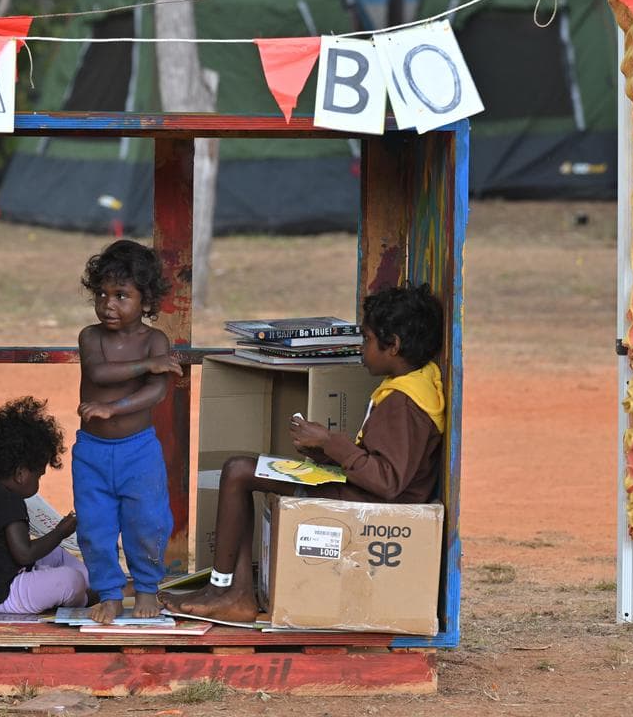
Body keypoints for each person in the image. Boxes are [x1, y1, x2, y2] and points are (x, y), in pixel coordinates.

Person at [162, 282, 446, 623]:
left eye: (367, 340)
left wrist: (329, 442)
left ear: (394, 346)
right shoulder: (415, 383)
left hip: (376, 504)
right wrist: (324, 453)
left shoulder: (404, 403)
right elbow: (380, 460)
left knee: (239, 471)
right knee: (241, 471)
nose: (362, 348)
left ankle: (223, 590)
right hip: (363, 489)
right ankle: (233, 592)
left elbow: (387, 481)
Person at [74, 239, 183, 623]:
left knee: (148, 521)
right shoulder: (92, 337)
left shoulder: (156, 340)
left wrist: (113, 407)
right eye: (102, 295)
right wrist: (148, 365)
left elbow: (156, 393)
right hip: (92, 451)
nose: (108, 305)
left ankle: (147, 588)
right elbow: (98, 373)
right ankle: (109, 592)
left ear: (147, 299)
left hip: (139, 451)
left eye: (122, 295)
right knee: (94, 525)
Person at [0, 397, 89, 614]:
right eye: (39, 475)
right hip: (4, 595)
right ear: (21, 474)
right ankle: (88, 597)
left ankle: (94, 585)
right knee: (70, 580)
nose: (38, 482)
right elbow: (24, 554)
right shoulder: (8, 501)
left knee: (56, 555)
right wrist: (61, 531)